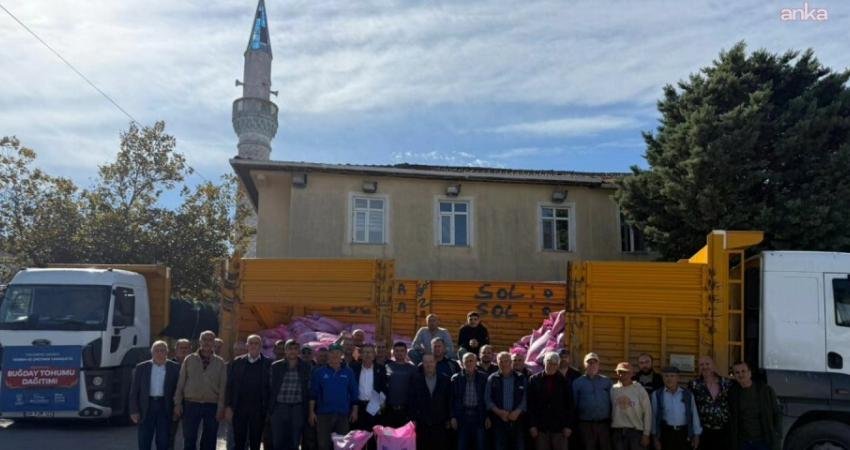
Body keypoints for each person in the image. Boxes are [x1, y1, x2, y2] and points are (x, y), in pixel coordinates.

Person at [174, 330, 228, 450]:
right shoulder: (189, 359)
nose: (207, 342)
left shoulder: (220, 363)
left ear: (214, 342)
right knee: (189, 438)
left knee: (209, 440)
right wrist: (177, 403)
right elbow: (181, 383)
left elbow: (223, 387)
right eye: (204, 339)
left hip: (212, 405)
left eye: (210, 340)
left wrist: (221, 407)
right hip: (191, 404)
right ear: (199, 341)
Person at [129, 340, 180, 450]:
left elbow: (178, 390)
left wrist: (177, 407)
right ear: (152, 352)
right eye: (157, 350)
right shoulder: (141, 367)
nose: (160, 353)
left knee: (163, 440)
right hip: (146, 406)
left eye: (162, 350)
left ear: (167, 352)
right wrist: (134, 410)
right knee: (144, 439)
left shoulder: (175, 368)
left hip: (165, 407)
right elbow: (134, 391)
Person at [225, 334, 271, 450]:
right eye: (251, 343)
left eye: (256, 343)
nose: (253, 346)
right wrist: (228, 406)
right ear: (247, 346)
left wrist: (268, 409)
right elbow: (229, 386)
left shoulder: (269, 364)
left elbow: (271, 388)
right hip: (239, 408)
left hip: (259, 410)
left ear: (261, 346)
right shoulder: (237, 362)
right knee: (239, 441)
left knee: (255, 441)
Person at [309, 343, 358, 450]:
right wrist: (311, 412)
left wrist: (355, 411)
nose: (335, 355)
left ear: (341, 354)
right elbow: (313, 393)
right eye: (332, 352)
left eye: (338, 352)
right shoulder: (319, 372)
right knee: (323, 445)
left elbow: (354, 392)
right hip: (323, 414)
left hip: (342, 414)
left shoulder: (348, 372)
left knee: (342, 445)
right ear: (328, 354)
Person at [269, 339, 312, 450]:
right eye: (290, 349)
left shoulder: (306, 367)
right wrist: (271, 409)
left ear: (298, 351)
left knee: (294, 441)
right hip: (279, 407)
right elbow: (270, 388)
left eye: (295, 349)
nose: (292, 351)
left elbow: (308, 389)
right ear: (285, 350)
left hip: (297, 408)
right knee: (278, 441)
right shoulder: (276, 366)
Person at [729, 361, 782, 450]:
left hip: (763, 441)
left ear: (750, 373)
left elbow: (777, 413)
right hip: (744, 443)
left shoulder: (765, 390)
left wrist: (777, 434)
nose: (740, 374)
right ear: (734, 376)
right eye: (737, 372)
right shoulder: (733, 393)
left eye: (743, 371)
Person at [527, 352, 574, 450]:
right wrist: (532, 425)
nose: (551, 365)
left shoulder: (564, 381)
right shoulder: (534, 380)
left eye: (555, 363)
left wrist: (568, 426)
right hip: (540, 428)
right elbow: (530, 404)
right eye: (549, 362)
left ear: (558, 365)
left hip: (559, 428)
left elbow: (570, 405)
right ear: (544, 362)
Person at [651, 366, 701, 450]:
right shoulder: (657, 394)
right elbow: (654, 417)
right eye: (666, 376)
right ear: (662, 378)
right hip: (666, 433)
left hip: (684, 433)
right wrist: (655, 438)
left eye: (672, 376)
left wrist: (696, 435)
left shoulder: (687, 394)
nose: (669, 379)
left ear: (678, 378)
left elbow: (694, 415)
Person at [409, 354, 452, 450]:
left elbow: (449, 400)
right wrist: (413, 418)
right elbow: (412, 400)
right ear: (422, 364)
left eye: (431, 362)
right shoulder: (416, 379)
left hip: (440, 422)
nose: (429, 364)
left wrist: (449, 418)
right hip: (422, 422)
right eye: (426, 362)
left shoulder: (445, 379)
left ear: (435, 363)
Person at [688, 356, 733, 450]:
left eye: (707, 364)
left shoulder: (726, 383)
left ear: (713, 365)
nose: (705, 367)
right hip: (703, 431)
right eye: (701, 364)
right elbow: (690, 408)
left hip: (724, 431)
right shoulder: (694, 384)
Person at [486, 351, 528, 450]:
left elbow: (525, 397)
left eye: (506, 361)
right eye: (501, 361)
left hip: (517, 419)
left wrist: (517, 411)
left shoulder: (521, 377)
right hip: (498, 420)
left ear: (510, 362)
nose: (504, 364)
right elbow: (487, 399)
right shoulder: (492, 378)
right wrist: (499, 412)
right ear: (497, 362)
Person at [572, 352, 613, 450]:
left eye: (595, 362)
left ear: (598, 365)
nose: (592, 365)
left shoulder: (607, 382)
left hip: (604, 425)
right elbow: (574, 404)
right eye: (589, 362)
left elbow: (612, 402)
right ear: (584, 365)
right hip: (585, 425)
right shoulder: (577, 383)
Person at [351, 343, 387, 450]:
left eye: (370, 352)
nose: (367, 354)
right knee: (359, 438)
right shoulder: (354, 368)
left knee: (373, 439)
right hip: (358, 407)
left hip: (374, 407)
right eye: (365, 352)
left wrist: (381, 404)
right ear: (361, 354)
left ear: (374, 355)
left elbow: (384, 388)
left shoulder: (381, 369)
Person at [451, 353, 489, 450]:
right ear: (462, 363)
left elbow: (487, 399)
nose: (468, 363)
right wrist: (453, 417)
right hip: (462, 417)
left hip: (479, 416)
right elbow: (452, 399)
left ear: (476, 362)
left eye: (471, 361)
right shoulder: (456, 378)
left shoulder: (484, 378)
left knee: (480, 445)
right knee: (462, 445)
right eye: (466, 361)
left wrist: (488, 416)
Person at [610, 362, 652, 450]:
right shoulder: (613, 389)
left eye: (626, 372)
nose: (622, 375)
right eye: (620, 372)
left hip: (635, 433)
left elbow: (647, 413)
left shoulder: (639, 390)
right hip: (618, 433)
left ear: (632, 374)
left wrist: (646, 434)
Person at [384, 341, 417, 427]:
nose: (399, 353)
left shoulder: (413, 369)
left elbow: (416, 392)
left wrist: (413, 414)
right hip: (389, 411)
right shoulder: (387, 366)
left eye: (402, 351)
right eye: (397, 351)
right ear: (393, 352)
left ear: (406, 352)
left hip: (405, 411)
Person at [170, 338, 192, 450]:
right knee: (170, 435)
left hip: (190, 404)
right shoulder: (168, 365)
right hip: (172, 404)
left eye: (186, 348)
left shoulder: (195, 365)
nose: (183, 350)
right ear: (176, 349)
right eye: (181, 348)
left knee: (189, 436)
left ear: (190, 350)